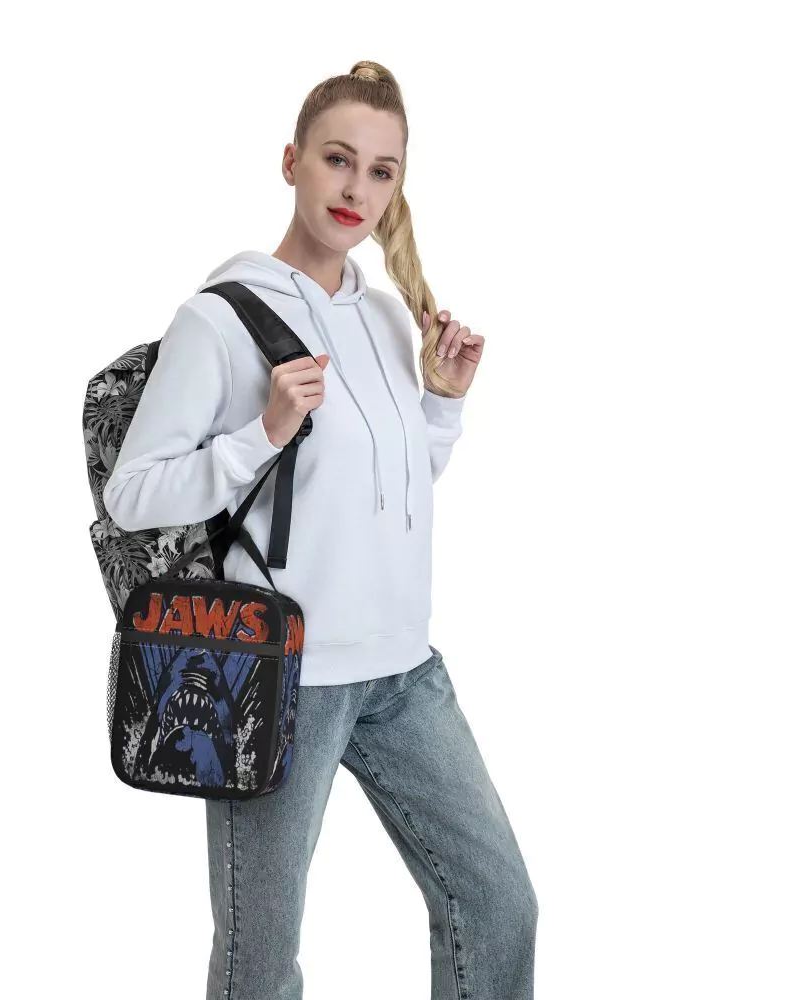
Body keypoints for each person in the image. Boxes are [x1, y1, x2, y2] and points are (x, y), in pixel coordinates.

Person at [103, 59, 537, 1000]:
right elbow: (131, 494)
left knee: (499, 904)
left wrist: (443, 404)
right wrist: (261, 433)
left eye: (382, 171)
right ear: (291, 161)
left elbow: (392, 492)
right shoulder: (219, 319)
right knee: (260, 961)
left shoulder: (383, 316)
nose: (356, 189)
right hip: (280, 680)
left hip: (405, 674)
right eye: (338, 159)